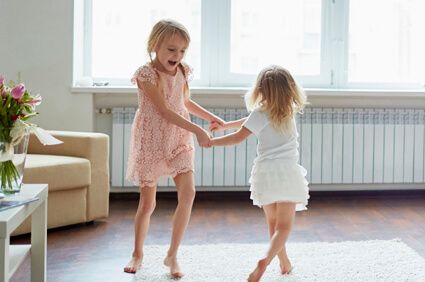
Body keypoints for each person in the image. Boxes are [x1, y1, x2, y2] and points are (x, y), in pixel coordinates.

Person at [124, 19, 223, 277]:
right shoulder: (146, 74)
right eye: (171, 49)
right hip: (151, 140)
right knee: (147, 205)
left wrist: (209, 117)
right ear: (155, 45)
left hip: (179, 139)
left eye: (182, 51)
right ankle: (137, 253)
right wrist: (199, 130)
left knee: (188, 194)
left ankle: (172, 255)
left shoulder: (182, 71)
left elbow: (184, 102)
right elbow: (165, 111)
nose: (177, 56)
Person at [209, 65, 309, 281]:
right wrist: (226, 126)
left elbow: (242, 133)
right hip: (288, 172)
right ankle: (266, 260)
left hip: (265, 173)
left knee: (272, 224)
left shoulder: (260, 112)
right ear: (290, 89)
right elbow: (250, 124)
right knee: (283, 227)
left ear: (261, 89)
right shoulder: (289, 110)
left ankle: (284, 262)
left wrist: (212, 142)